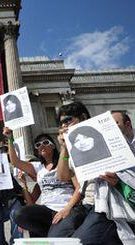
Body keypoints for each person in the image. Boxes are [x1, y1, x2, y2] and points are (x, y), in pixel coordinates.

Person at [56, 102, 134, 244]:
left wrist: (118, 180)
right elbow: (62, 177)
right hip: (86, 203)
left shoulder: (112, 141)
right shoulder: (75, 149)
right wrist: (63, 148)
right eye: (60, 123)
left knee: (81, 241)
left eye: (67, 120)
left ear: (83, 117)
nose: (64, 126)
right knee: (56, 238)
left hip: (106, 204)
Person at [4, 127, 82, 238]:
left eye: (45, 142)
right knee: (19, 215)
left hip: (65, 208)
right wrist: (10, 139)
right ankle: (50, 233)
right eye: (38, 145)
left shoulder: (65, 161)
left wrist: (67, 209)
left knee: (48, 235)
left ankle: (53, 233)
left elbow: (79, 188)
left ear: (53, 146)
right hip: (47, 211)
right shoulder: (38, 168)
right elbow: (15, 162)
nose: (41, 146)